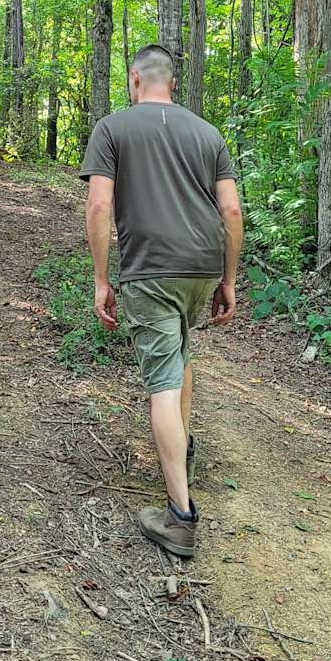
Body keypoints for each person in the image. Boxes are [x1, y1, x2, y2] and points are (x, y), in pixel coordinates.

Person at [80, 44, 244, 558]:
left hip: (151, 268)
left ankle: (179, 516)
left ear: (135, 80)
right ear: (172, 84)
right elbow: (232, 211)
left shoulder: (113, 128)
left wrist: (102, 279)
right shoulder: (208, 133)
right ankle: (182, 451)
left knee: (162, 384)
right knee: (181, 357)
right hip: (200, 264)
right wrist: (228, 279)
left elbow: (100, 203)